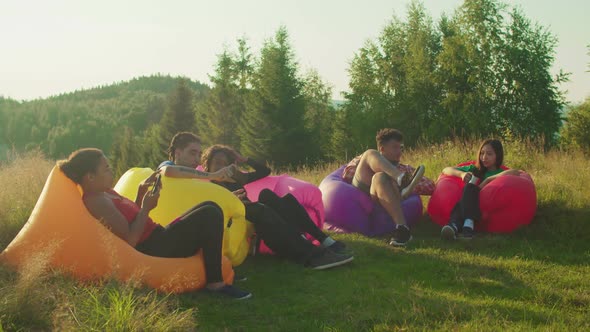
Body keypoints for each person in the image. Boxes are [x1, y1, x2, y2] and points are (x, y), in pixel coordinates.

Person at [58, 148, 252, 300]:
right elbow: (131, 240)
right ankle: (215, 283)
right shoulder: (96, 201)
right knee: (210, 213)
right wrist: (146, 207)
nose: (111, 172)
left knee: (209, 207)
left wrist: (141, 194)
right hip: (153, 247)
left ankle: (216, 269)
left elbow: (128, 218)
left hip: (157, 236)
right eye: (106, 169)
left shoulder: (105, 192)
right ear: (90, 177)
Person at [160, 132, 353, 270]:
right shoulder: (174, 169)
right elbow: (168, 172)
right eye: (192, 153)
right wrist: (220, 186)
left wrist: (243, 160)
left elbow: (264, 172)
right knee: (259, 209)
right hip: (221, 217)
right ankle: (310, 255)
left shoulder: (225, 178)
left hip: (236, 213)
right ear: (177, 152)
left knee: (269, 196)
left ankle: (322, 240)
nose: (195, 158)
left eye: (197, 154)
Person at [342, 129, 432, 246]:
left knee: (380, 177)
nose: (399, 152)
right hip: (363, 190)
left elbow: (431, 185)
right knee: (370, 154)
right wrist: (381, 167)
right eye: (395, 147)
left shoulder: (405, 168)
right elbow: (346, 175)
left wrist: (410, 185)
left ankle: (402, 229)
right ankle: (400, 179)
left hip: (385, 194)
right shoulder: (365, 157)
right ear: (382, 149)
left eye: (401, 148)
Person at [440, 139, 521, 240]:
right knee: (468, 190)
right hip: (470, 202)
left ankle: (455, 224)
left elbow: (515, 172)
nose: (484, 157)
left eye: (489, 154)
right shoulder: (475, 169)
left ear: (498, 156)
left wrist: (488, 180)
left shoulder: (500, 172)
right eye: (482, 153)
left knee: (469, 189)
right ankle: (466, 226)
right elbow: (446, 169)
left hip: (486, 205)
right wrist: (461, 174)